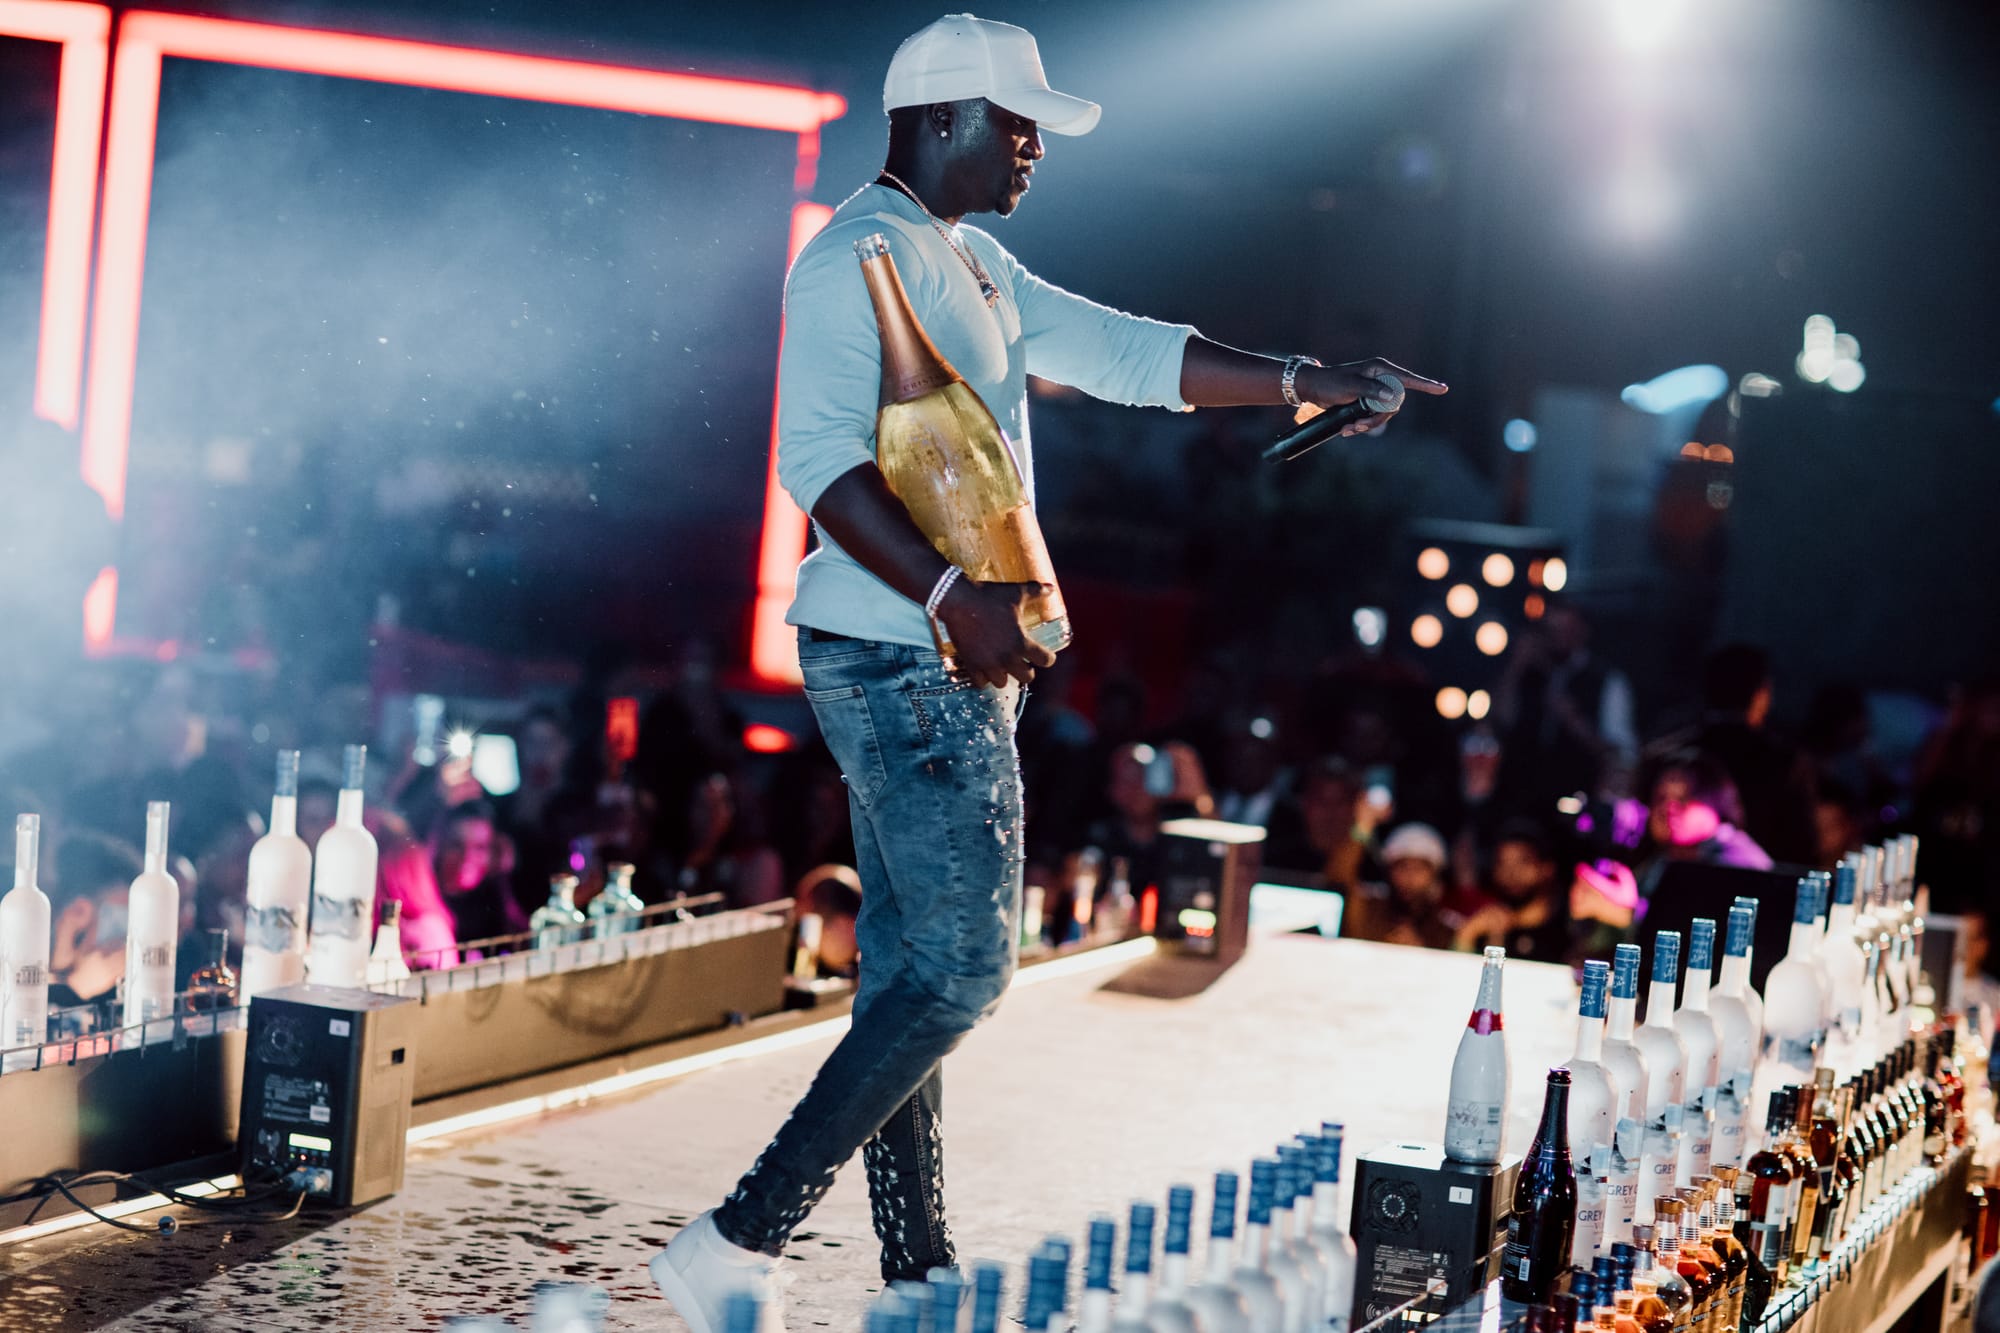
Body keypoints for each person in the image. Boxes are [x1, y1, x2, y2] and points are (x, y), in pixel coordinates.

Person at [645, 16, 1446, 1331]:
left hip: (930, 652)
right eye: (1017, 126)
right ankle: (738, 1236)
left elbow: (1133, 354)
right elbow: (817, 460)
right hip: (907, 654)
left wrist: (1309, 381)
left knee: (911, 975)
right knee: (964, 969)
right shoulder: (855, 255)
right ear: (942, 119)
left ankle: (917, 1267)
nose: (1033, 149)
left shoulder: (969, 259)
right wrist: (950, 596)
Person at [1453, 819, 1572, 963]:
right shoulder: (1485, 924)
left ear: (1547, 869)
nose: (1511, 874)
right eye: (1502, 863)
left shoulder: (1571, 930)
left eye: (1523, 862)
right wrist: (1467, 934)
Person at [1342, 822, 1460, 950]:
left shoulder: (1447, 927)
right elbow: (1341, 880)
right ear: (1389, 871)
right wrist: (1363, 827)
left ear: (1434, 875)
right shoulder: (1369, 906)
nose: (1410, 877)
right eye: (1402, 866)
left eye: (1419, 869)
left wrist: (1419, 952)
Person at [431, 800, 527, 951]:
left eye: (479, 847)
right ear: (440, 845)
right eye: (457, 845)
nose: (467, 857)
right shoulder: (426, 895)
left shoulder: (496, 897)